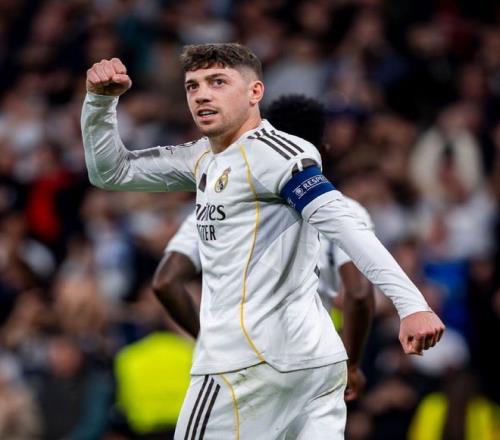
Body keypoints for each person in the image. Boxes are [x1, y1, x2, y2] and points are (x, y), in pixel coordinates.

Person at [81, 43, 444, 439]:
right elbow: (110, 173)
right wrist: (100, 102)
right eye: (193, 86)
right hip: (311, 363)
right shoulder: (201, 158)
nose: (201, 94)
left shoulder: (276, 155)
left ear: (255, 92)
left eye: (218, 82)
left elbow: (345, 225)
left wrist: (412, 305)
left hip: (243, 365)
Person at [152, 94, 374, 402]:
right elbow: (359, 294)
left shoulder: (216, 204)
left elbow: (165, 282)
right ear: (322, 150)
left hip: (241, 364)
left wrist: (211, 343)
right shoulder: (344, 210)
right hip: (308, 363)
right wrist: (352, 363)